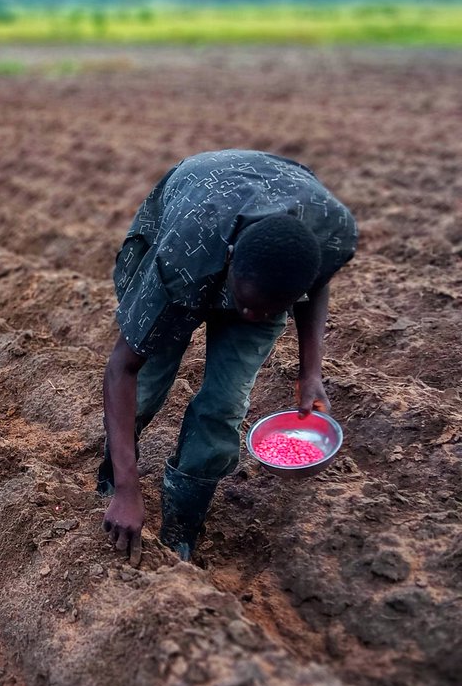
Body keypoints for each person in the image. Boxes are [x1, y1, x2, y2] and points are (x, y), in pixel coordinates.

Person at [100, 150, 357, 563]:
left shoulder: (333, 232)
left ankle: (182, 525)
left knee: (224, 404)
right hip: (196, 224)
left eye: (270, 310)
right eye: (248, 305)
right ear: (233, 260)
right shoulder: (181, 258)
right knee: (148, 378)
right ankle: (113, 479)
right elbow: (121, 369)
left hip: (260, 261)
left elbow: (316, 281)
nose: (252, 318)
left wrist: (310, 373)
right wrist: (131, 491)